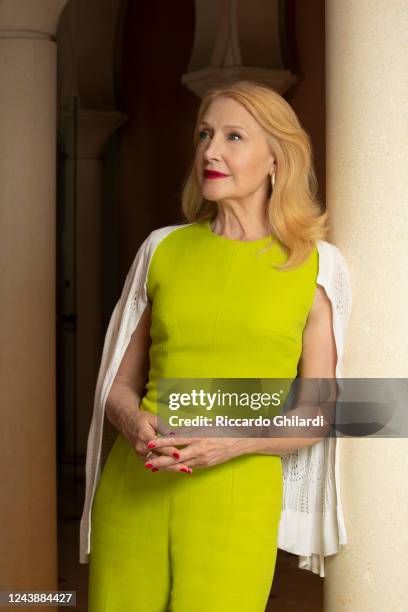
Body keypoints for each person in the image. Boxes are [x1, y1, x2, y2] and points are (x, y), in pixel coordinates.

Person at [84, 80, 350, 611]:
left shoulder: (316, 265)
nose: (210, 150)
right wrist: (134, 422)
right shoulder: (162, 249)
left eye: (233, 137)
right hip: (136, 482)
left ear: (278, 159)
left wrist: (231, 441)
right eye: (205, 134)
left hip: (237, 491)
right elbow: (119, 385)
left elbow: (319, 411)